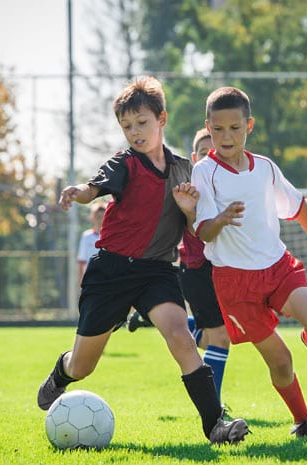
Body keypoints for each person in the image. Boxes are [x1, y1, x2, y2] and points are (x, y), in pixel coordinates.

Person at [36, 77, 248, 445]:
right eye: (127, 126)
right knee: (83, 366)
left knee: (181, 336)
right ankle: (62, 372)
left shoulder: (184, 170)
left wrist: (188, 210)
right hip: (111, 272)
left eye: (142, 123)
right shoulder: (124, 164)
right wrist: (79, 192)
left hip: (157, 271)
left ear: (161, 118)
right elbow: (95, 187)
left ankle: (215, 425)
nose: (135, 132)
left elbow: (196, 229)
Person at [191, 86, 307, 439]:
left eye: (235, 128)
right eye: (218, 129)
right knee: (280, 362)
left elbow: (295, 204)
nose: (226, 136)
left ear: (249, 126)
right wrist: (222, 218)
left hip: (278, 267)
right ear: (209, 126)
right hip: (235, 284)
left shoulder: (264, 167)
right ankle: (304, 420)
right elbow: (202, 231)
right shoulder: (204, 172)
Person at [127, 128, 231, 404]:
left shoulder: (231, 183)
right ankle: (214, 408)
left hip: (225, 268)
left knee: (225, 333)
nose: (213, 157)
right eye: (206, 153)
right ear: (195, 158)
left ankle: (152, 317)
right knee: (220, 337)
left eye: (218, 151)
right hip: (196, 269)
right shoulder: (185, 187)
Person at [76, 202, 106, 282]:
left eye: (103, 217)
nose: (100, 220)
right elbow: (81, 261)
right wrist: (80, 283)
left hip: (105, 279)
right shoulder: (86, 236)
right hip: (90, 279)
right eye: (98, 217)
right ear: (92, 217)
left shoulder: (110, 237)